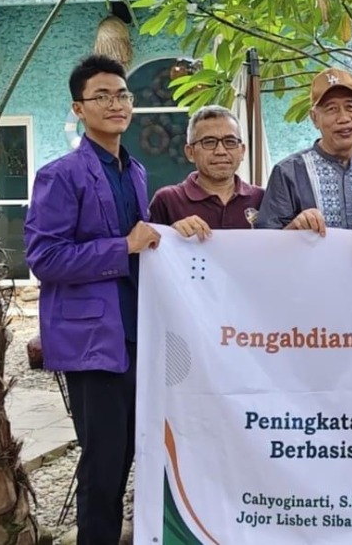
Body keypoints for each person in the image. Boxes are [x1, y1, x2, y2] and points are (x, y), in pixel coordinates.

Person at [24, 55, 161, 545]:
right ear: (79, 109)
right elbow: (45, 258)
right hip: (91, 340)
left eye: (122, 94)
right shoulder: (60, 175)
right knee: (103, 463)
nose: (115, 104)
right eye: (101, 96)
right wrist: (123, 247)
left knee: (127, 455)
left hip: (136, 334)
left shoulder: (135, 171)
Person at [257, 67, 352, 233]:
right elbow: (268, 241)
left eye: (351, 107)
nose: (344, 118)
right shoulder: (288, 173)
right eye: (331, 109)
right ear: (314, 118)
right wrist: (295, 227)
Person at [149, 105, 264, 238]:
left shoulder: (262, 198)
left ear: (242, 151)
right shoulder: (167, 200)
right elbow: (150, 246)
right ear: (190, 152)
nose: (220, 151)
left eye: (230, 142)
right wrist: (171, 234)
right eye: (209, 142)